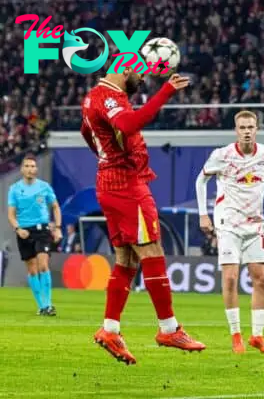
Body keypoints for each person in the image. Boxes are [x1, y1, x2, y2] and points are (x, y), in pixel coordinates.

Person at [80, 67, 206, 365]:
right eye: (139, 77)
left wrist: (106, 157)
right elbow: (130, 122)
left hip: (109, 180)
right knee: (152, 249)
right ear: (125, 72)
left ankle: (110, 328)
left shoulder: (91, 98)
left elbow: (86, 132)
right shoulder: (110, 97)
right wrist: (166, 93)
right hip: (126, 184)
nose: (142, 82)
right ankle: (169, 328)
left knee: (127, 259)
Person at [196, 110, 264, 354]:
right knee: (231, 278)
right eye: (242, 127)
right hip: (228, 223)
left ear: (257, 129)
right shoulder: (221, 155)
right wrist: (203, 213)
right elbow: (200, 181)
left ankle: (257, 336)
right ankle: (236, 336)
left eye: (251, 127)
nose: (247, 131)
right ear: (236, 130)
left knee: (261, 279)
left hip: (255, 224)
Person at [7, 154, 62, 316]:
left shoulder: (44, 187)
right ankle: (41, 306)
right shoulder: (14, 189)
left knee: (43, 264)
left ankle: (49, 304)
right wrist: (18, 229)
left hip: (42, 230)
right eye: (28, 166)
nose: (31, 169)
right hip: (24, 232)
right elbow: (11, 214)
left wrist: (57, 227)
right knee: (32, 270)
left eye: (33, 166)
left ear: (36, 169)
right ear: (22, 169)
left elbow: (56, 207)